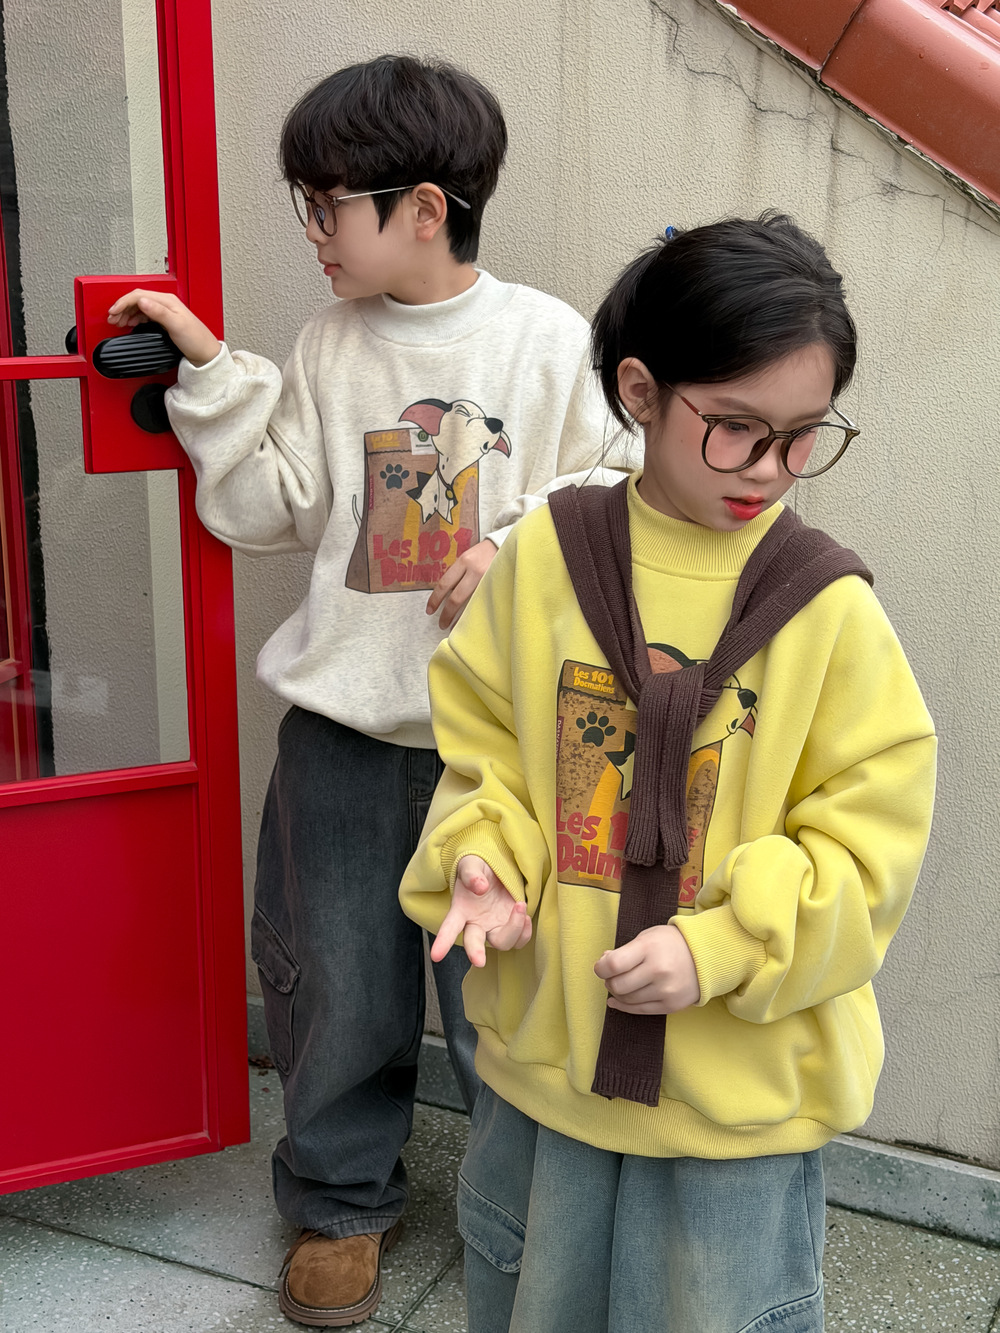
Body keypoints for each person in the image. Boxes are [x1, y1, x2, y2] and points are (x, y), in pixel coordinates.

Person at [108, 55, 617, 1328]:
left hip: (501, 748)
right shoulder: (328, 345)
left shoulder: (550, 340)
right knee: (333, 981)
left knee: (504, 990)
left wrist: (517, 546)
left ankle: (526, 1198)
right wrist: (211, 371)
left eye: (327, 203)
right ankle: (340, 1202)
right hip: (343, 732)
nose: (313, 230)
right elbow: (270, 507)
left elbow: (621, 485)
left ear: (425, 208)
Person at [399, 213, 937, 1333]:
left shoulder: (829, 606)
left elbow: (868, 841)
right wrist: (487, 863)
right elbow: (486, 750)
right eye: (736, 428)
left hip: (736, 1112)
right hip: (548, 1078)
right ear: (640, 391)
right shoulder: (544, 557)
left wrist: (722, 946)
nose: (770, 469)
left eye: (802, 436)